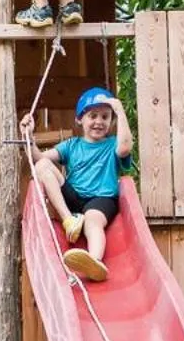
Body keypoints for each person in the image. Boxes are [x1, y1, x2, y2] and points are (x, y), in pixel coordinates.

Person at [26, 86, 134, 283]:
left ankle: (94, 261)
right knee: (43, 165)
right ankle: (69, 221)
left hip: (102, 199)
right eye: (93, 116)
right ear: (79, 119)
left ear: (112, 121)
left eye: (105, 116)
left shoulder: (112, 145)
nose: (99, 122)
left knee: (93, 221)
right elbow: (38, 158)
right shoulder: (72, 145)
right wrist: (29, 138)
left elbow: (125, 147)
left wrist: (120, 111)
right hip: (74, 199)